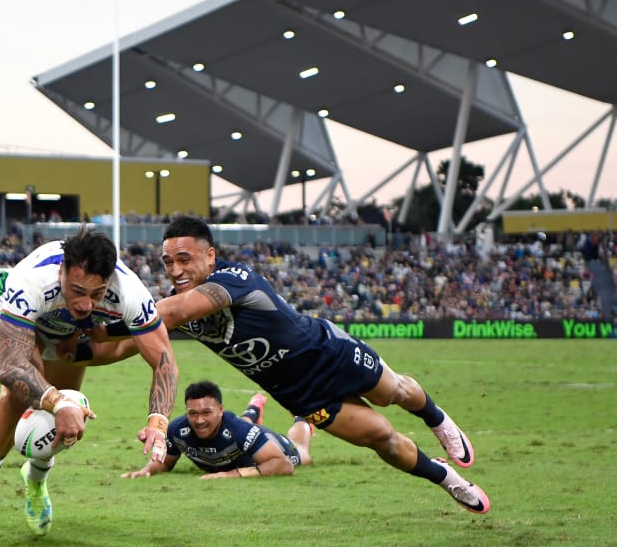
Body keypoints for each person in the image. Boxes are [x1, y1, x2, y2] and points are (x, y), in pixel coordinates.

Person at [84, 216, 490, 515]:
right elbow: (134, 344)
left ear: (210, 256)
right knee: (381, 438)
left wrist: (105, 326)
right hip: (301, 393)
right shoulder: (177, 307)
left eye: (184, 259)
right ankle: (448, 479)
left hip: (329, 352)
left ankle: (438, 420)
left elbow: (169, 314)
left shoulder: (233, 279)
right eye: (167, 262)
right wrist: (77, 345)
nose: (175, 270)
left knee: (394, 392)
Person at [0, 227, 179, 543]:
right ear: (62, 271)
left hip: (65, 331)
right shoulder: (34, 281)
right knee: (22, 393)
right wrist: (56, 402)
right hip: (12, 317)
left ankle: (35, 477)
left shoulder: (129, 291)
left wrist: (158, 422)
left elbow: (165, 361)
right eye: (78, 291)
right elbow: (12, 368)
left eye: (97, 294)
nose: (87, 303)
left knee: (66, 403)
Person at [123, 382, 312, 480]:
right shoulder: (177, 430)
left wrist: (230, 474)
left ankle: (302, 417)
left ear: (220, 409)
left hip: (273, 444)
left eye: (206, 412)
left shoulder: (240, 431)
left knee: (302, 450)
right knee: (235, 429)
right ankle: (253, 409)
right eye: (193, 413)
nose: (199, 420)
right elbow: (165, 464)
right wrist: (147, 470)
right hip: (237, 431)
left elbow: (283, 465)